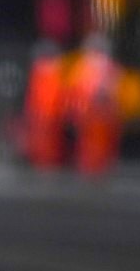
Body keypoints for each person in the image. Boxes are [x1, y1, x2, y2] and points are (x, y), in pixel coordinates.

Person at [66, 32, 122, 175]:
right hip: (90, 112)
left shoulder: (106, 67)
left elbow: (114, 89)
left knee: (100, 142)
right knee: (90, 142)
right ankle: (92, 167)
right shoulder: (83, 66)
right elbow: (75, 90)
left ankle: (98, 167)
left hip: (101, 112)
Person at [22, 39, 67, 169]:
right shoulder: (49, 71)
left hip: (47, 113)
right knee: (44, 142)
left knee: (47, 142)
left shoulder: (46, 71)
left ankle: (45, 163)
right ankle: (44, 163)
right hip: (45, 113)